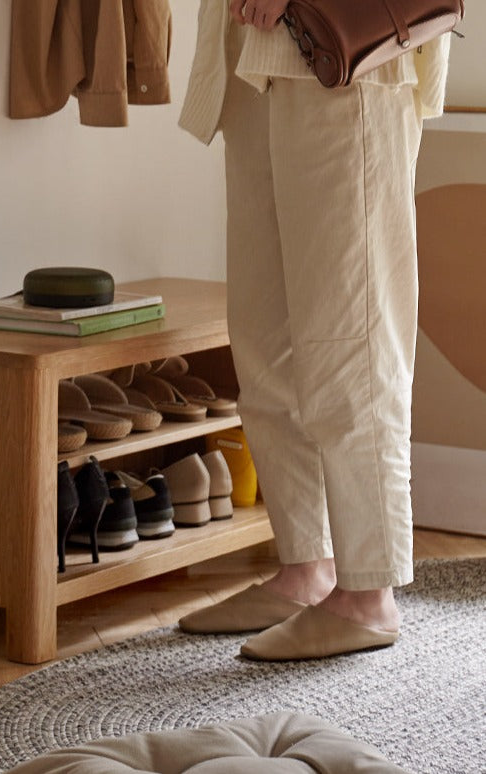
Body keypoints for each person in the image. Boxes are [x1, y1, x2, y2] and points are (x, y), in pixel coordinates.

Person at [177, 0, 452, 660]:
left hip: (348, 56)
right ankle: (307, 565)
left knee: (350, 340)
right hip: (252, 53)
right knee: (265, 342)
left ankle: (369, 591)